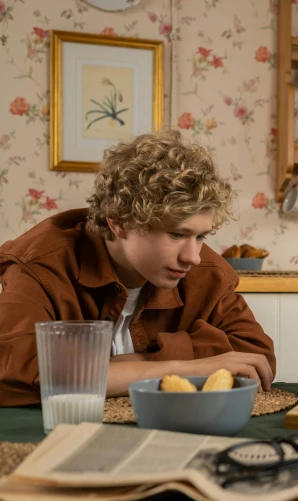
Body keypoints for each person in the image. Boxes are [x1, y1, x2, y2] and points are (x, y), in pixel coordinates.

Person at [0, 129, 275, 406]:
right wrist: (183, 368)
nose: (193, 256)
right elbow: (12, 379)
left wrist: (127, 365)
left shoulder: (209, 272)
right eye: (177, 235)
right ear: (119, 222)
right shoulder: (38, 266)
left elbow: (255, 359)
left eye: (201, 236)